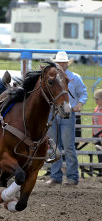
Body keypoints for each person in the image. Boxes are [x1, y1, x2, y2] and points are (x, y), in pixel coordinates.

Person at [46, 51, 88, 186]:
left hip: (68, 114)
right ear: (56, 63)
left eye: (63, 62)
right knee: (54, 146)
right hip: (53, 114)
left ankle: (72, 177)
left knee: (68, 146)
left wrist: (79, 104)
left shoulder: (75, 77)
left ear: (67, 63)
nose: (61, 64)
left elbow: (83, 93)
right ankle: (56, 176)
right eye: (59, 62)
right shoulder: (52, 78)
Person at [93, 89, 102, 162]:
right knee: (99, 154)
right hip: (96, 134)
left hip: (101, 134)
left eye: (97, 99)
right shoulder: (97, 108)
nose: (96, 101)